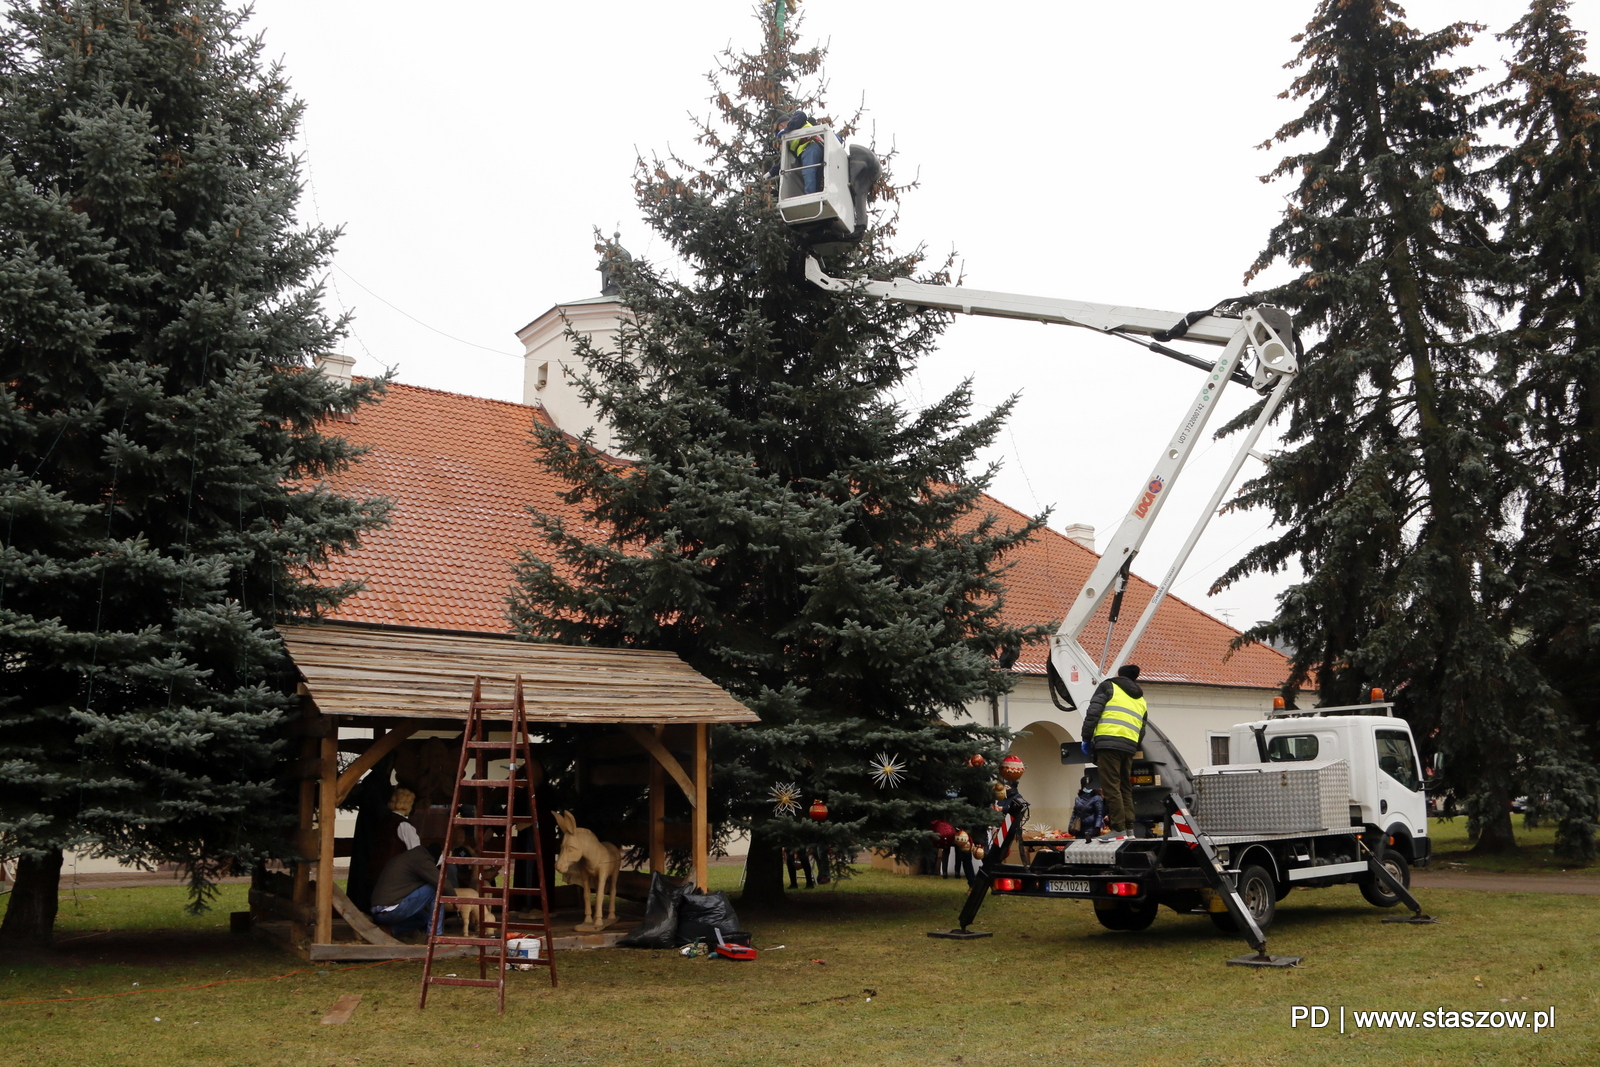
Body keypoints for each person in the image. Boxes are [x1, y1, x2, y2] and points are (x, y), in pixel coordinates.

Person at [1079, 664, 1148, 840]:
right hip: (1128, 747)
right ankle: (1129, 829)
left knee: (1111, 787)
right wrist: (1132, 746)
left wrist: (1086, 738)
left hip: (1108, 744)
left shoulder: (1109, 686)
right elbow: (1142, 729)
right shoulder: (1141, 700)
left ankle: (1118, 828)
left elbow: (1093, 712)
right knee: (1125, 786)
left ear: (1119, 674)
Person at [369, 844, 455, 939]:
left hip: (379, 912)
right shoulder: (421, 859)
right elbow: (442, 882)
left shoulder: (410, 856)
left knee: (424, 918)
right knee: (435, 889)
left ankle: (390, 930)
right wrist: (455, 900)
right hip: (390, 909)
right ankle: (435, 935)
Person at [769, 109, 825, 194]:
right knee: (816, 176)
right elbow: (785, 162)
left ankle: (809, 197)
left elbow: (801, 114)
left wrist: (788, 129)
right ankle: (815, 196)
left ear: (782, 125)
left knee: (808, 171)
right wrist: (770, 173)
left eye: (779, 129)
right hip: (808, 153)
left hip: (811, 146)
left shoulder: (798, 121)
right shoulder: (790, 141)